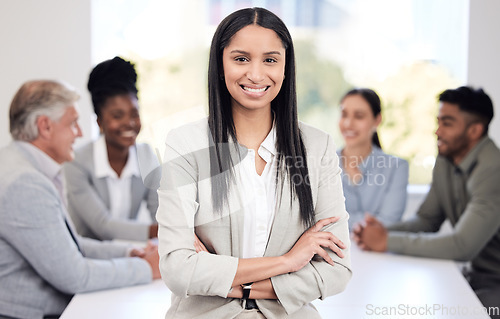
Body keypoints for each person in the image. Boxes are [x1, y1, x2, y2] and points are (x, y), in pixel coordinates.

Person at [156, 7, 351, 319]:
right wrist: (289, 261)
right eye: (241, 58)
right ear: (220, 65)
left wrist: (229, 280)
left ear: (286, 68)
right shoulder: (186, 144)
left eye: (270, 60)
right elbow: (177, 271)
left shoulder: (317, 146)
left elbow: (337, 270)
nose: (257, 74)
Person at [0, 80, 160, 319]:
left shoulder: (23, 166)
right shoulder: (26, 183)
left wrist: (128, 251)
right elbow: (75, 276)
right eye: (73, 123)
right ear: (45, 127)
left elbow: (69, 245)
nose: (80, 133)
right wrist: (147, 267)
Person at [353, 86, 500, 315]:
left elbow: (463, 246)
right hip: (474, 275)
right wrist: (380, 231)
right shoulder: (446, 160)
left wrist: (386, 242)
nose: (437, 131)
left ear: (474, 131)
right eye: (438, 121)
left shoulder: (493, 170)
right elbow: (426, 220)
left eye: (448, 123)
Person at [64, 56, 160, 241]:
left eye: (134, 114)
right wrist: (162, 232)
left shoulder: (146, 155)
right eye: (117, 116)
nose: (129, 123)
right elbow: (103, 226)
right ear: (100, 122)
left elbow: (161, 213)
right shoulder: (76, 163)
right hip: (89, 259)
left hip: (132, 255)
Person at [337, 88, 408, 230]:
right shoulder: (322, 164)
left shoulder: (396, 167)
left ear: (377, 120)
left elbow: (389, 222)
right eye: (344, 115)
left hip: (376, 252)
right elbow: (314, 219)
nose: (348, 124)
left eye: (359, 116)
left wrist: (337, 221)